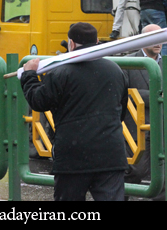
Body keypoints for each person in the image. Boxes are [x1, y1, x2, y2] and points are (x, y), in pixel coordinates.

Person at [19, 23, 129, 201]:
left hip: (73, 155)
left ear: (71, 43)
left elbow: (38, 101)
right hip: (111, 152)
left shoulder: (60, 72)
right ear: (97, 41)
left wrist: (29, 75)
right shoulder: (116, 70)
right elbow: (121, 111)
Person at [123, 24, 164, 186]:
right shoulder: (128, 62)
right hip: (136, 128)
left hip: (161, 128)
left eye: (161, 38)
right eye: (154, 39)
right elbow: (124, 94)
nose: (158, 43)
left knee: (164, 177)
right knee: (135, 172)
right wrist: (157, 96)